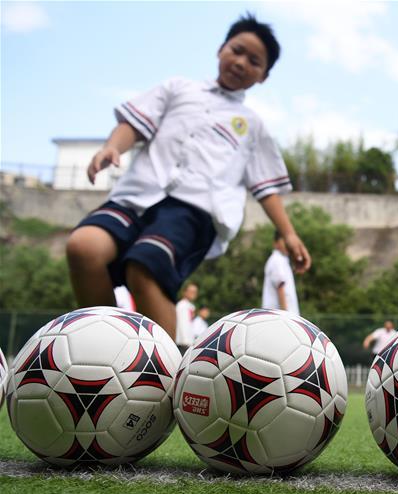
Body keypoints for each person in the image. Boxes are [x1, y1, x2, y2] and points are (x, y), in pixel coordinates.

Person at [65, 13, 311, 342]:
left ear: (263, 77)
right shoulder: (178, 88)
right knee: (83, 247)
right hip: (137, 194)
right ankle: (103, 347)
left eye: (254, 61)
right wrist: (113, 147)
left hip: (193, 210)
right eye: (236, 50)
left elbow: (266, 188)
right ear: (221, 48)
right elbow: (135, 125)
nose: (241, 62)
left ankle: (162, 377)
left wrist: (289, 234)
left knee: (146, 267)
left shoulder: (252, 126)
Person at [262, 230, 300, 315]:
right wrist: (286, 317)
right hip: (280, 318)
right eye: (285, 241)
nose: (288, 245)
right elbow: (280, 287)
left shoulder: (282, 260)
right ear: (276, 243)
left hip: (280, 317)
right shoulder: (277, 260)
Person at [175, 283, 198, 352]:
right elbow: (182, 324)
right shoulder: (181, 305)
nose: (193, 294)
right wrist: (186, 342)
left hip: (189, 343)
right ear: (185, 292)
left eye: (195, 292)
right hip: (184, 344)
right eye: (191, 291)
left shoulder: (190, 306)